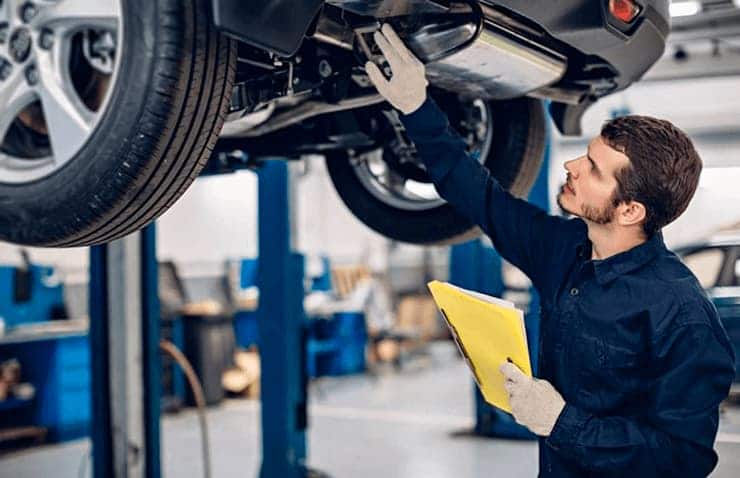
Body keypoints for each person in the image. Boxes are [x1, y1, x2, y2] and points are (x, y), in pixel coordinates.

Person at [364, 24, 736, 477]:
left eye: (594, 170)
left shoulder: (682, 314)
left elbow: (683, 458)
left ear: (629, 210)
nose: (571, 165)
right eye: (586, 154)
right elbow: (480, 197)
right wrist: (416, 107)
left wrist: (562, 423)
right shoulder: (565, 250)